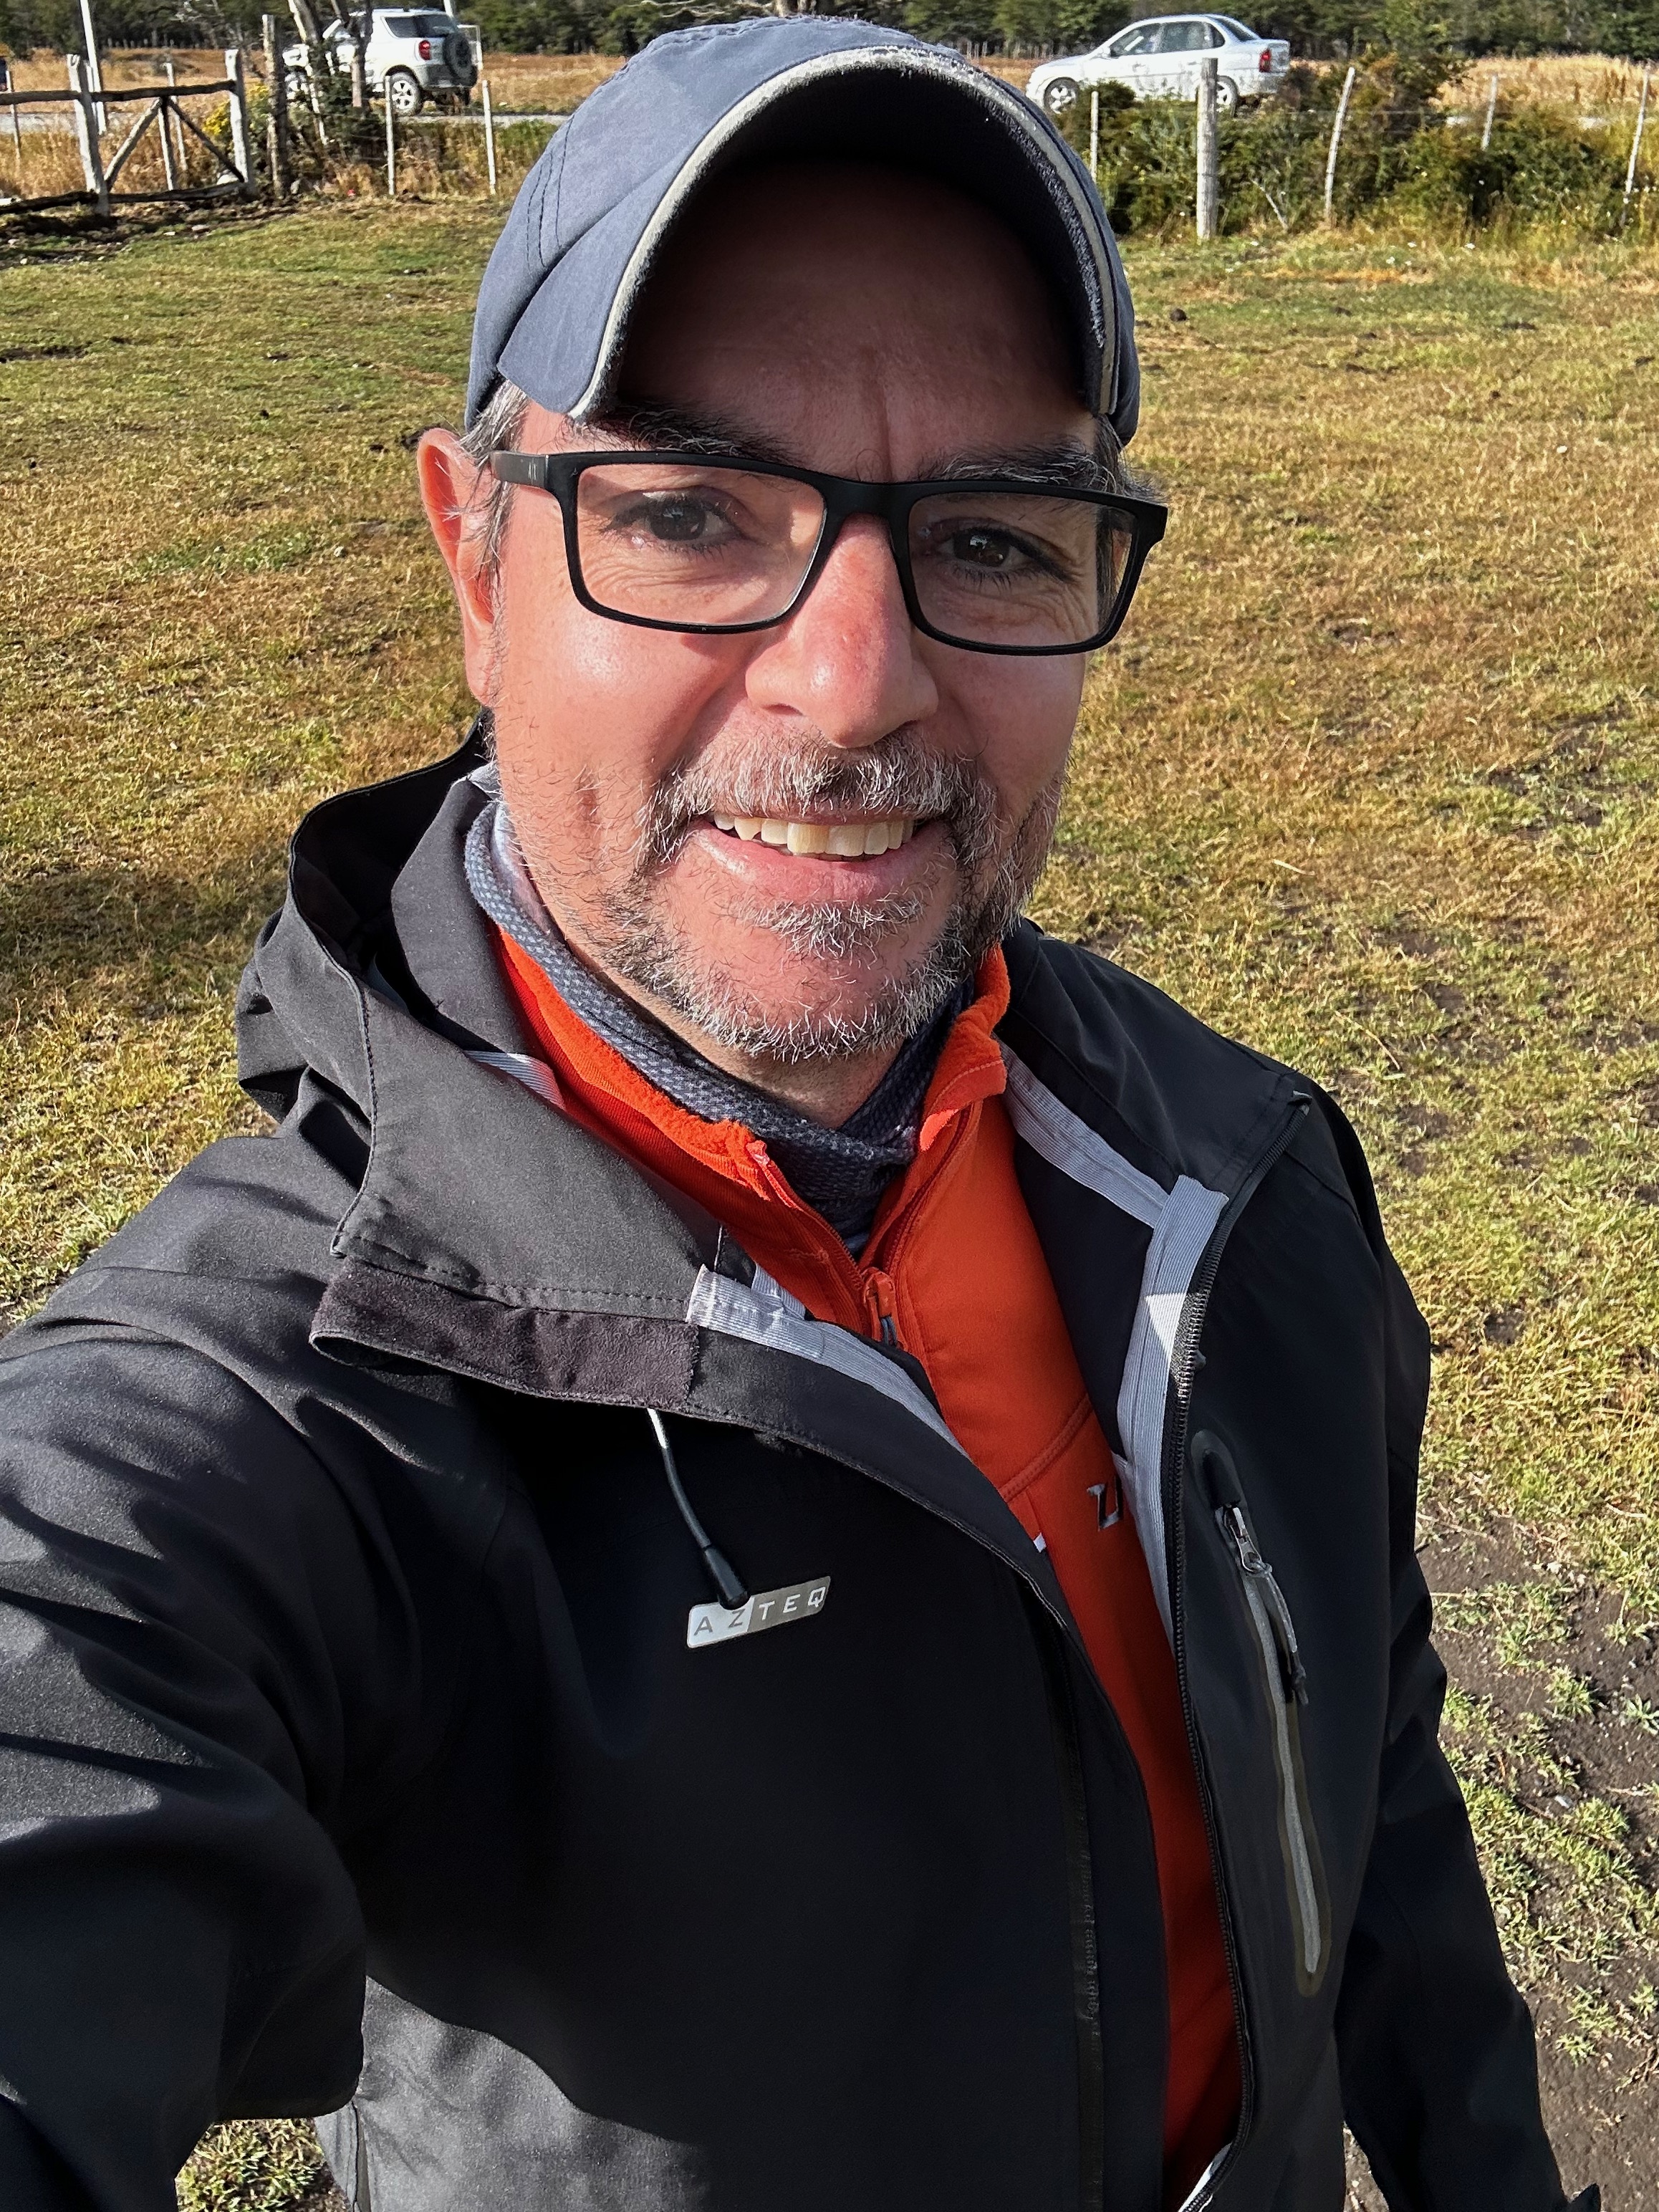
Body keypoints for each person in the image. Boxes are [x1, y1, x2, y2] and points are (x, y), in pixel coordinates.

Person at [0, 20, 1592, 2212]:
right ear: (472, 560)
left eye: (992, 536)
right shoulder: (259, 1421)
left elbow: (1367, 1772)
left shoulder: (1235, 1182)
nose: (851, 687)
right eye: (684, 516)